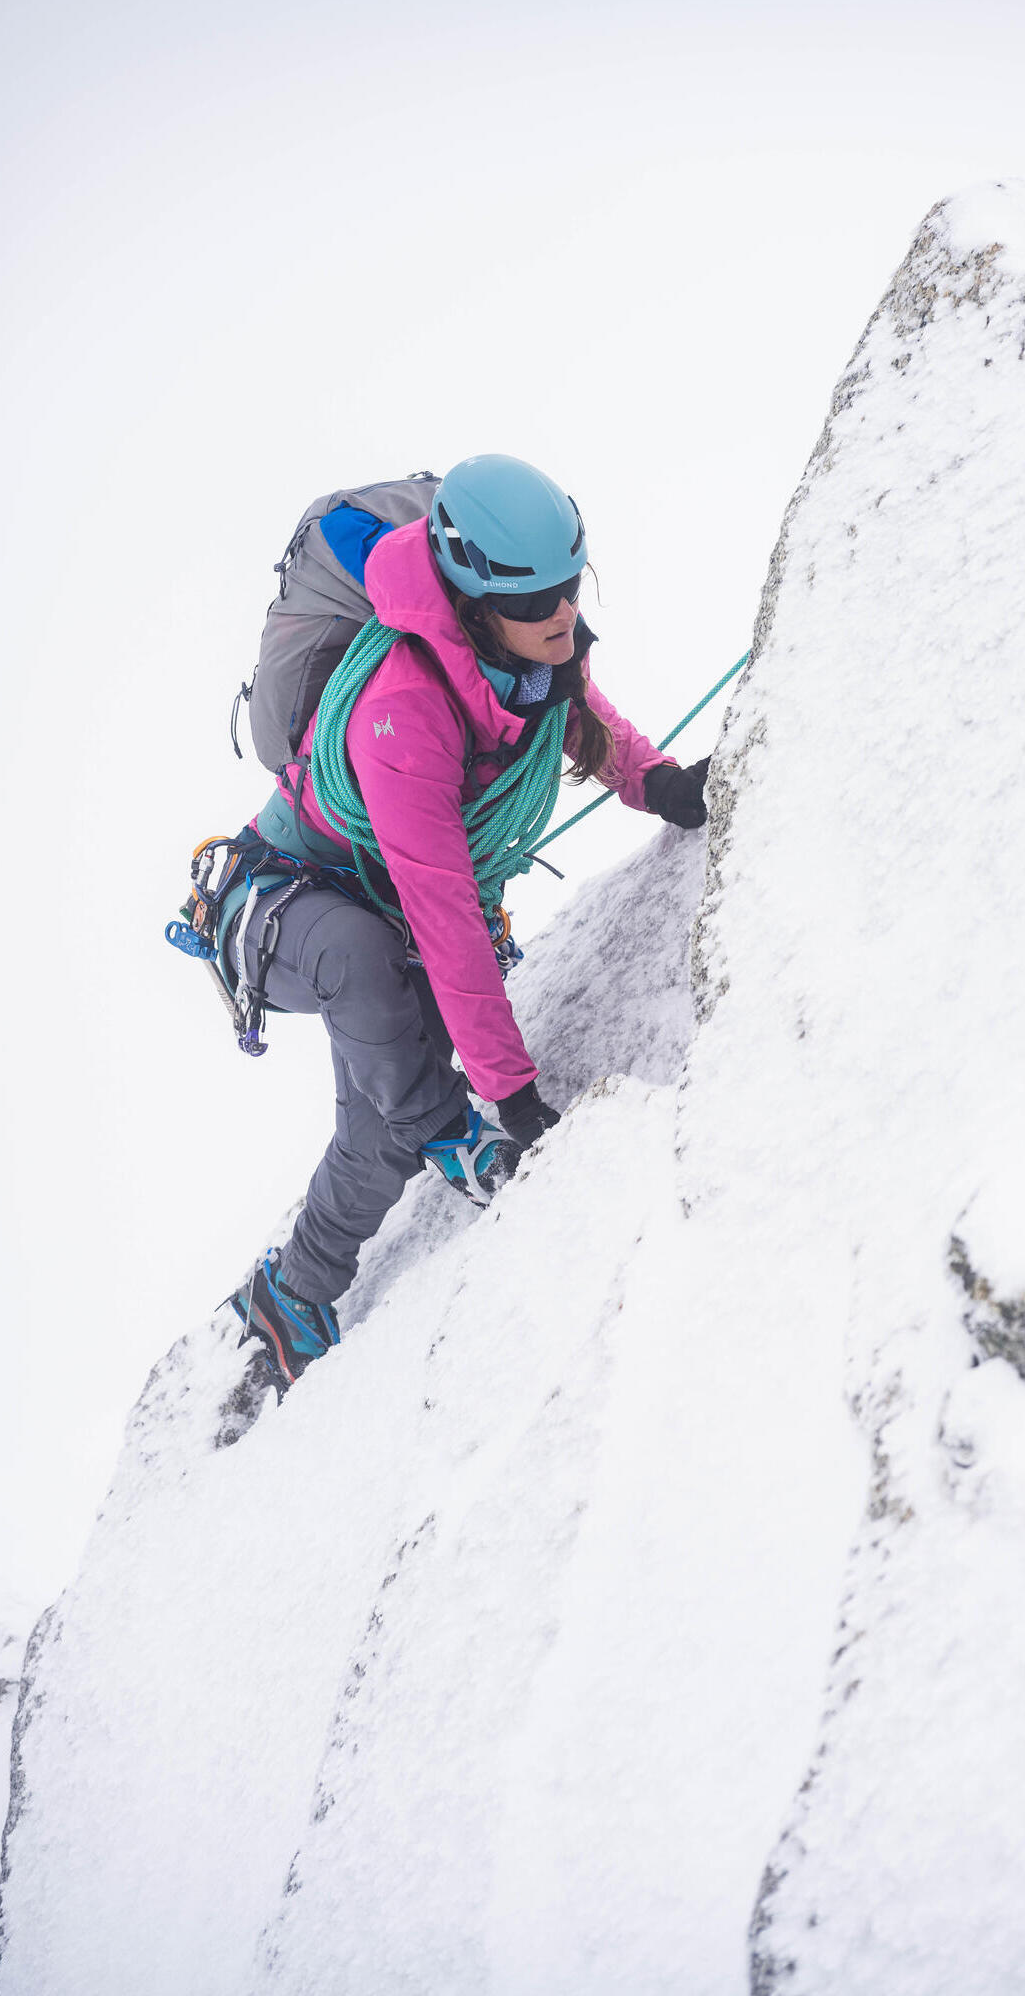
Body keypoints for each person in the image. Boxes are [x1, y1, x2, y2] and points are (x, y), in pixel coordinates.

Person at [223, 454, 710, 1396]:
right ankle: (445, 1128)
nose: (562, 616)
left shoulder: (519, 650)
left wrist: (657, 784)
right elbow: (443, 912)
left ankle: (293, 1295)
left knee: (385, 1122)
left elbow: (576, 712)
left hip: (379, 902)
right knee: (391, 1023)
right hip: (288, 900)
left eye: (569, 589)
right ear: (475, 601)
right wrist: (510, 1098)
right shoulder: (401, 709)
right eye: (536, 604)